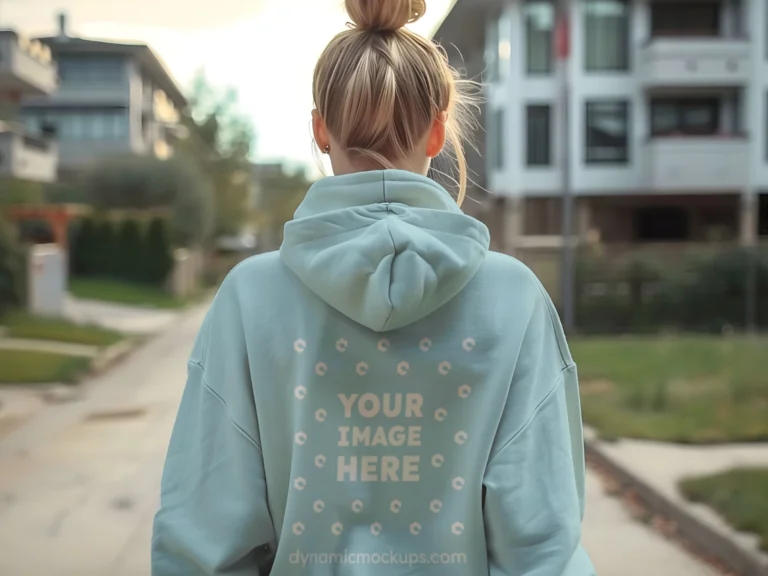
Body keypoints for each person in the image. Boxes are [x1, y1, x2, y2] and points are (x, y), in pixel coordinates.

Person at [151, 0, 595, 574]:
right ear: (439, 131)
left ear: (320, 130)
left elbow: (203, 537)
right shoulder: (514, 299)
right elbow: (544, 548)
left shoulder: (250, 297)